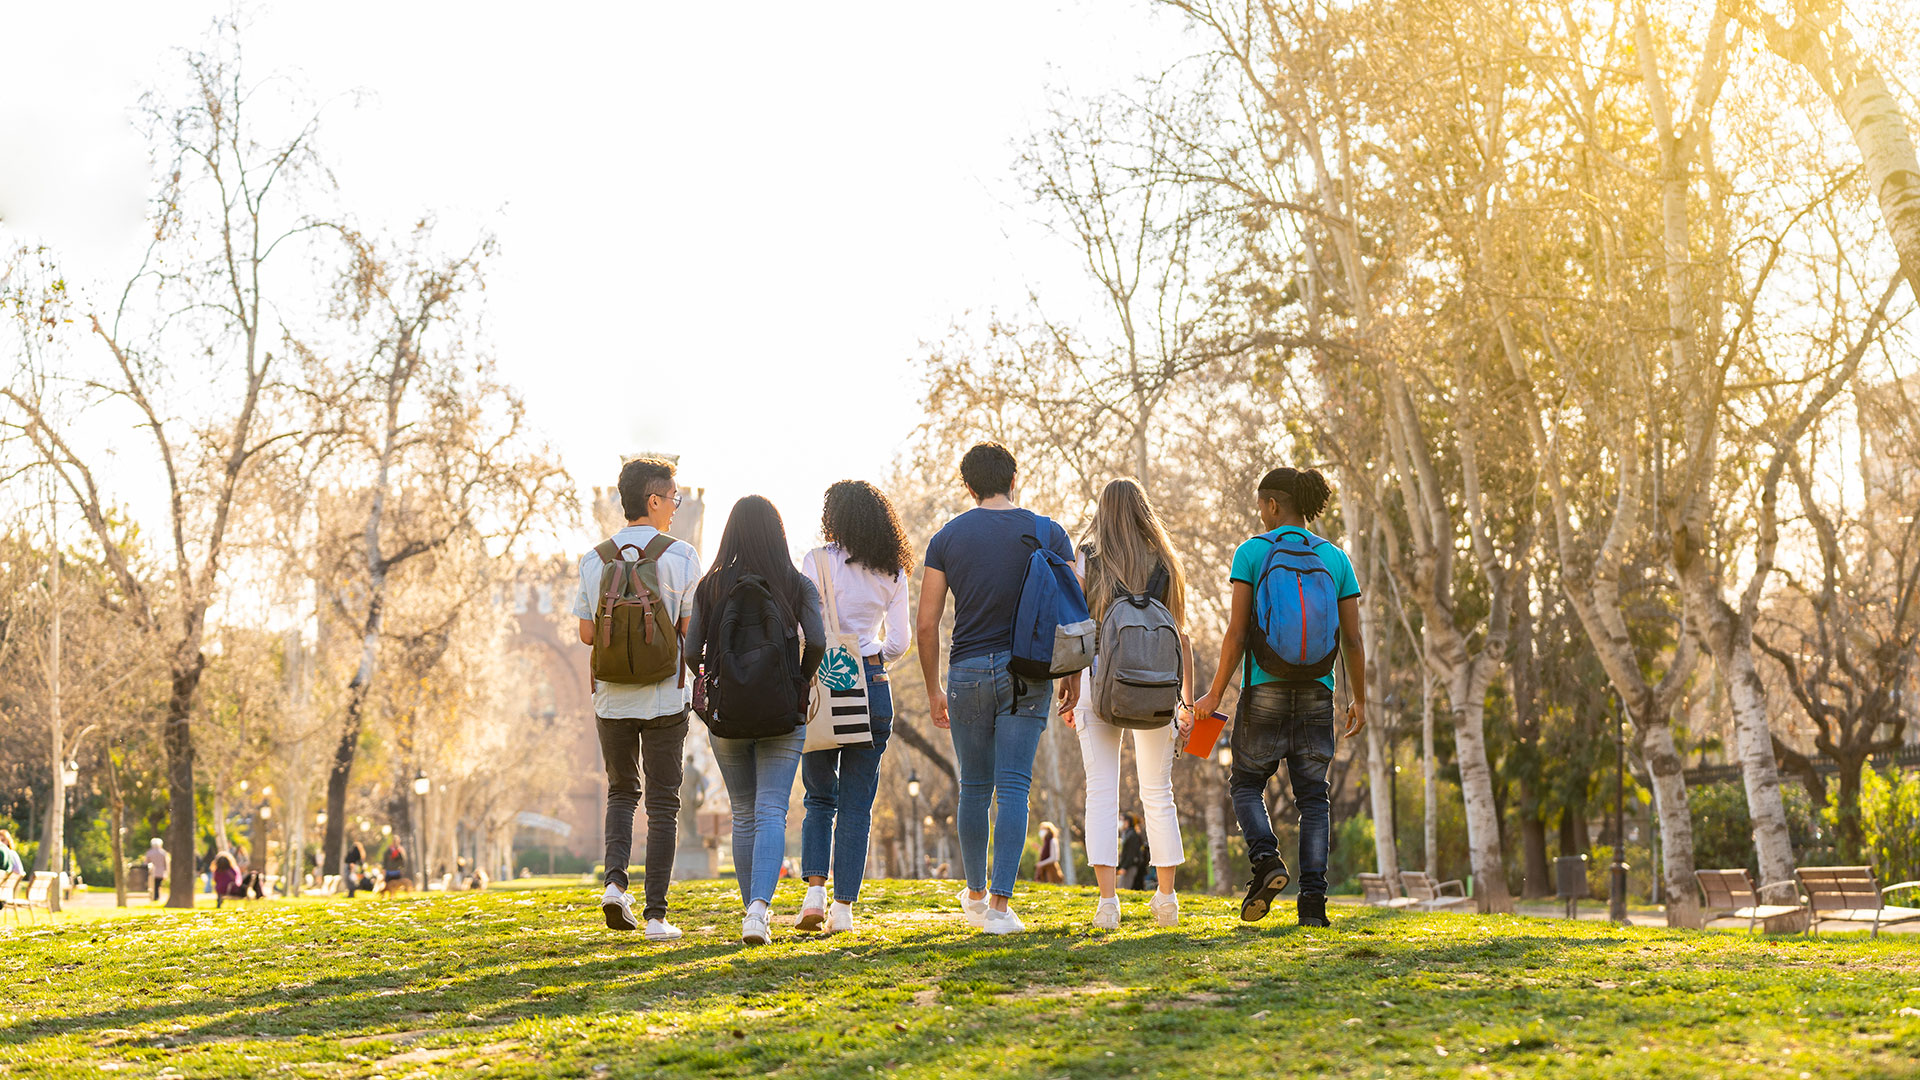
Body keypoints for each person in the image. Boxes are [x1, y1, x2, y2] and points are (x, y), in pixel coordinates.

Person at [1193, 467, 1366, 928]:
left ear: (1271, 505)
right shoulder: (1336, 559)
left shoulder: (1252, 552)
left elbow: (1236, 631)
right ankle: (1313, 904)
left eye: (1260, 506)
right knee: (1314, 798)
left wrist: (1213, 693)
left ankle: (1267, 860)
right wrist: (1360, 700)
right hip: (1318, 690)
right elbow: (1352, 640)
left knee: (1247, 784)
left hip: (1264, 687)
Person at [917, 441, 1075, 935]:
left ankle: (976, 894)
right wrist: (1071, 674)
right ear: (1014, 478)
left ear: (968, 486)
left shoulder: (947, 538)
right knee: (1013, 786)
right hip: (1028, 671)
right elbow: (1073, 609)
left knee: (974, 787)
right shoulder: (1048, 532)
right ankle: (1001, 910)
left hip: (965, 671)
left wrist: (932, 690)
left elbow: (926, 625)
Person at [684, 495, 825, 945]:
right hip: (784, 713)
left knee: (743, 812)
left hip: (728, 716)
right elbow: (817, 642)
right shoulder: (796, 583)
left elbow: (690, 653)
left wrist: (712, 685)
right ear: (777, 534)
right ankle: (758, 912)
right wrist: (798, 682)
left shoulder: (710, 587)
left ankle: (751, 912)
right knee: (771, 811)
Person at [574, 456, 698, 942]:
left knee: (622, 792)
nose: (675, 507)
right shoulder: (682, 555)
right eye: (673, 498)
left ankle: (614, 884)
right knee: (664, 804)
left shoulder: (593, 558)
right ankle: (656, 917)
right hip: (666, 697)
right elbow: (689, 630)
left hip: (611, 699)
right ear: (653, 499)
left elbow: (587, 634)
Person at [1063, 477, 1193, 929]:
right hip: (1157, 685)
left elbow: (1076, 626)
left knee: (1102, 789)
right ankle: (1166, 899)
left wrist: (1068, 685)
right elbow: (1180, 635)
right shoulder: (1166, 562)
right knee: (1159, 792)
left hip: (1098, 682)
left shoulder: (1088, 556)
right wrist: (1186, 703)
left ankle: (1107, 903)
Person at [797, 480, 914, 935]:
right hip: (872, 683)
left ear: (835, 517)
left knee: (819, 796)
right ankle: (843, 910)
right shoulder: (894, 570)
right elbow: (900, 642)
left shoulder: (817, 561)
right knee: (857, 803)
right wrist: (871, 652)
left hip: (826, 682)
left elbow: (806, 630)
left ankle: (813, 894)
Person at [1116, 814, 1148, 892]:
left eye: (1122, 820)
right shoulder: (1126, 833)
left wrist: (1124, 867)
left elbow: (1131, 853)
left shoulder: (1132, 835)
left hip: (1130, 866)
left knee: (1124, 888)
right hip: (1126, 865)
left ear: (1127, 822)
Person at [143, 838, 169, 902]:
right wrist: (167, 872)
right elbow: (166, 864)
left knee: (153, 885)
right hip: (160, 872)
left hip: (151, 872)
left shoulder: (149, 852)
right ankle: (157, 897)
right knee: (158, 885)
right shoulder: (163, 853)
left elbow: (145, 863)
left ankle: (154, 897)